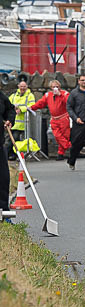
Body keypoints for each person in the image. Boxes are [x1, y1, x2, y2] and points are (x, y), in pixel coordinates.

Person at [29, 79, 71, 160]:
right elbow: (41, 103)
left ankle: (60, 154)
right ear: (51, 87)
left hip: (64, 118)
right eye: (53, 87)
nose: (55, 88)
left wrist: (60, 95)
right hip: (54, 119)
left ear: (59, 87)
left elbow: (69, 102)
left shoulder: (65, 94)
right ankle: (70, 146)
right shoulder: (48, 95)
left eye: (57, 86)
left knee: (64, 136)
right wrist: (32, 107)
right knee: (57, 136)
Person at [7, 79, 35, 160]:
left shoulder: (30, 95)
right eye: (21, 86)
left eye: (24, 86)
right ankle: (12, 155)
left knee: (16, 139)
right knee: (11, 140)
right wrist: (13, 109)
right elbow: (8, 105)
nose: (22, 88)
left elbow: (32, 106)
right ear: (18, 86)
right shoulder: (13, 96)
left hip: (24, 123)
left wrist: (21, 109)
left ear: (27, 87)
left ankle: (14, 155)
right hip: (13, 123)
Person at [0, 90, 14, 220]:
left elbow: (10, 109)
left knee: (3, 178)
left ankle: (4, 211)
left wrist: (9, 120)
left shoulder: (1, 96)